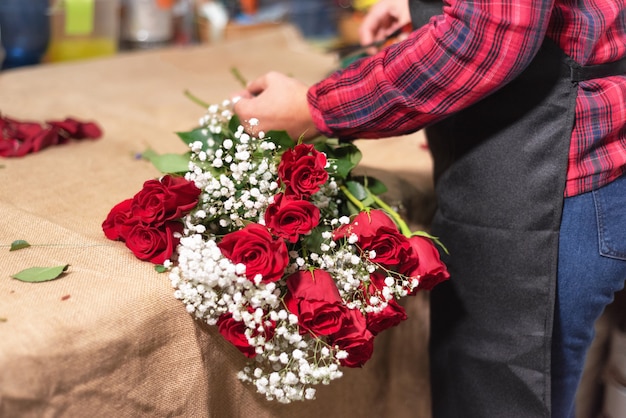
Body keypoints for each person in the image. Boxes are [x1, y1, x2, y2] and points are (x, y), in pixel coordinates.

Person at [233, 0, 626, 416]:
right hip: (566, 167)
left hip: (552, 189)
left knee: (498, 398)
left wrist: (315, 108)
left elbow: (487, 36)